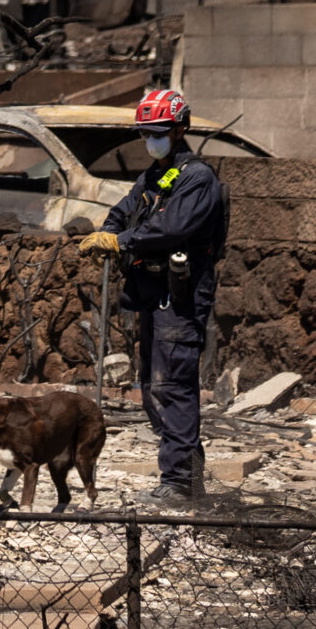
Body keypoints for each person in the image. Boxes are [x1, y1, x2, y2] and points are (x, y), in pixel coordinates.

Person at [79, 88, 228, 502]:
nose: (151, 139)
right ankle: (190, 481)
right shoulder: (160, 175)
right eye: (146, 132)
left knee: (172, 385)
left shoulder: (197, 178)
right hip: (153, 293)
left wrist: (122, 241)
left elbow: (172, 229)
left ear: (181, 128)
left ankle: (179, 483)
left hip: (180, 296)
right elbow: (128, 208)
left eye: (159, 131)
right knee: (154, 385)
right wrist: (109, 232)